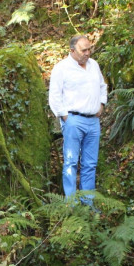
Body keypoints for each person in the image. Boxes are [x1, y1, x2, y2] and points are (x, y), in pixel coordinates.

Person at [48, 35, 108, 199]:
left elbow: (103, 86)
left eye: (90, 49)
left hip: (93, 121)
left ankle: (87, 203)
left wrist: (101, 104)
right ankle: (71, 203)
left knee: (90, 164)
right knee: (71, 162)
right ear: (72, 50)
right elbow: (54, 95)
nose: (88, 53)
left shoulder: (93, 65)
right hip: (74, 120)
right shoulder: (62, 68)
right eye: (84, 50)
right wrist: (65, 117)